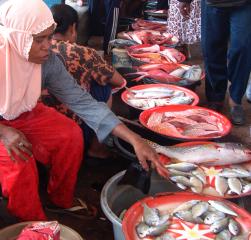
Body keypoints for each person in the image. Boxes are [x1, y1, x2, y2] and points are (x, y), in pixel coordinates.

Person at [0, 0, 167, 221]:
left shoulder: (48, 62)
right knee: (21, 166)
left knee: (70, 135)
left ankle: (60, 200)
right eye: (39, 40)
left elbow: (82, 101)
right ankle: (33, 225)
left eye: (50, 37)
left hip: (25, 112)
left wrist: (135, 139)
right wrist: (3, 132)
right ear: (16, 37)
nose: (47, 46)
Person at [42, 3, 125, 159]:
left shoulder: (37, 51)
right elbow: (119, 81)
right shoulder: (82, 53)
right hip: (70, 126)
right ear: (73, 28)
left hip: (44, 124)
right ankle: (96, 148)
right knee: (104, 87)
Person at [178, 0, 251, 125]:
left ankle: (235, 99)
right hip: (212, 4)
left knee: (242, 48)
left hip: (243, 4)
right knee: (211, 48)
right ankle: (215, 97)